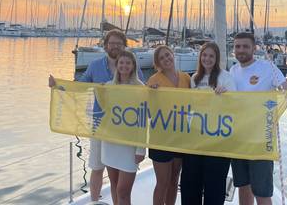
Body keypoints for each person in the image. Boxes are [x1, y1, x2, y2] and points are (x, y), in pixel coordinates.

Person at [48, 29, 144, 202]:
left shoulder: (132, 67)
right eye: (111, 43)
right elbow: (80, 86)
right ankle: (94, 201)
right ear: (106, 45)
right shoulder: (95, 66)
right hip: (100, 125)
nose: (115, 46)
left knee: (121, 186)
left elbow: (143, 99)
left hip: (125, 132)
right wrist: (59, 86)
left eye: (118, 43)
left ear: (124, 46)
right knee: (97, 167)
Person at [230, 32, 287, 205]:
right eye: (237, 46)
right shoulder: (232, 70)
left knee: (262, 191)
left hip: (261, 141)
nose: (240, 50)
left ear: (253, 48)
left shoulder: (268, 68)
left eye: (245, 46)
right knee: (243, 186)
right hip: (238, 139)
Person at [180, 42, 235, 205]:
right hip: (195, 137)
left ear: (217, 58)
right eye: (204, 55)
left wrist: (226, 94)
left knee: (215, 185)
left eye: (211, 56)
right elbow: (191, 106)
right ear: (200, 57)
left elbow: (235, 104)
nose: (207, 59)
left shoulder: (226, 77)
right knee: (190, 182)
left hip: (218, 139)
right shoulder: (194, 78)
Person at [146, 45, 191, 205]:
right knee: (162, 183)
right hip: (161, 139)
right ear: (158, 63)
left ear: (173, 54)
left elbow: (195, 104)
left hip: (180, 138)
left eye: (168, 55)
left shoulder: (186, 78)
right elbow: (149, 112)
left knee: (173, 181)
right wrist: (151, 94)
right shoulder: (154, 81)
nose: (166, 59)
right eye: (162, 58)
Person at [101, 50, 146, 205]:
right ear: (116, 64)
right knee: (113, 185)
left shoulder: (140, 88)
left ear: (133, 66)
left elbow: (142, 120)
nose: (124, 66)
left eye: (128, 63)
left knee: (123, 191)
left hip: (129, 146)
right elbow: (104, 111)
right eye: (121, 62)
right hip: (109, 143)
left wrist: (141, 148)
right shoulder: (108, 86)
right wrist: (58, 86)